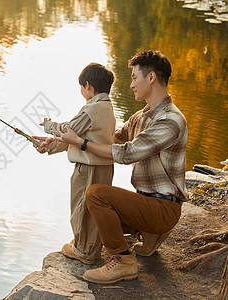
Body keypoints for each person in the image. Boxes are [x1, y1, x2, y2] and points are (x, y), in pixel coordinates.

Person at [53, 50, 188, 284]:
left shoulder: (170, 120)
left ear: (152, 77)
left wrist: (81, 142)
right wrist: (61, 142)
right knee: (94, 214)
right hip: (147, 201)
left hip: (163, 207)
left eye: (135, 78)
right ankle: (150, 233)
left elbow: (127, 153)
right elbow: (112, 140)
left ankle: (123, 261)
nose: (131, 85)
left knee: (96, 195)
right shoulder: (140, 117)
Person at [34, 63, 116, 265]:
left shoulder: (92, 109)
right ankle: (89, 247)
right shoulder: (107, 107)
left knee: (82, 208)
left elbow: (69, 130)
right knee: (94, 209)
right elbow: (76, 139)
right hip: (103, 167)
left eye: (81, 87)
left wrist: (49, 126)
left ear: (87, 85)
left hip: (88, 169)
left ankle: (84, 251)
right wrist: (50, 146)